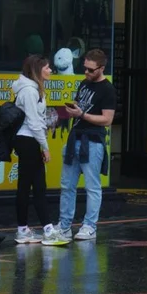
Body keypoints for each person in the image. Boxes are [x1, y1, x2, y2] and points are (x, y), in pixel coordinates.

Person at [43, 49, 116, 246]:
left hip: (92, 140)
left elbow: (107, 119)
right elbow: (80, 104)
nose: (86, 72)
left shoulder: (108, 89)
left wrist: (82, 114)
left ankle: (89, 226)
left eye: (91, 70)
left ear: (101, 68)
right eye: (85, 68)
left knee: (92, 186)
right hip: (75, 136)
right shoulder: (84, 83)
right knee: (67, 185)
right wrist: (73, 109)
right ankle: (65, 226)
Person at [12, 54, 57, 245]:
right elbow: (33, 122)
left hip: (27, 140)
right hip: (28, 140)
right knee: (37, 185)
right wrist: (45, 147)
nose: (50, 70)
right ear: (37, 70)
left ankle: (24, 229)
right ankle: (47, 230)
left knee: (27, 185)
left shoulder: (31, 89)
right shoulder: (30, 91)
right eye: (47, 67)